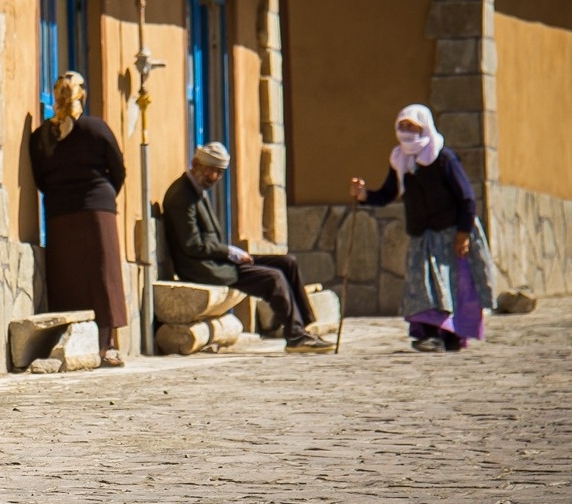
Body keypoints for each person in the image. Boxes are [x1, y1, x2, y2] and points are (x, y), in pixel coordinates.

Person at [161, 142, 335, 353]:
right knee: (273, 278)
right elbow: (193, 245)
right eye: (211, 170)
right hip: (203, 267)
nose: (214, 177)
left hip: (214, 259)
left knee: (287, 263)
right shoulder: (182, 196)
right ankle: (295, 336)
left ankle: (306, 326)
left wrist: (229, 252)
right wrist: (229, 252)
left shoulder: (195, 190)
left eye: (219, 172)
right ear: (195, 163)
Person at [350, 103, 495, 352]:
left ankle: (448, 335)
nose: (406, 131)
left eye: (412, 126)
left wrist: (463, 234)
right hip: (422, 236)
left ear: (424, 127)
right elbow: (387, 193)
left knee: (449, 287)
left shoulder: (442, 158)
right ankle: (429, 334)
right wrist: (363, 195)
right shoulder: (400, 160)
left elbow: (467, 197)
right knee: (423, 287)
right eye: (402, 126)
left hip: (451, 233)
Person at [28, 71, 128, 366]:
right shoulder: (96, 128)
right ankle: (105, 347)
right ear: (81, 94)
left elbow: (40, 178)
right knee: (103, 277)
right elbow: (118, 169)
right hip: (98, 211)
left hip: (59, 213)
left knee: (67, 276)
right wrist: (104, 194)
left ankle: (71, 342)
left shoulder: (40, 136)